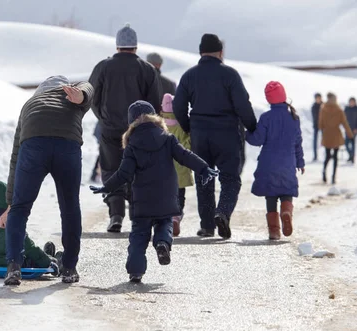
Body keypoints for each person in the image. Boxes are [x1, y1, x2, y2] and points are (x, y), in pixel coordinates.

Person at [89, 101, 216, 283]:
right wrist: (204, 168)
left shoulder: (132, 145)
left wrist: (107, 187)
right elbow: (185, 156)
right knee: (165, 223)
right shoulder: (167, 138)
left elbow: (124, 174)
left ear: (131, 121)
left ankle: (135, 271)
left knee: (139, 235)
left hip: (142, 200)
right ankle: (163, 243)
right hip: (166, 197)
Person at [0, 75, 93, 286]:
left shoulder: (30, 104)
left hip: (33, 145)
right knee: (70, 206)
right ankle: (69, 267)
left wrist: (10, 202)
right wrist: (83, 95)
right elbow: (89, 88)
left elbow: (16, 155)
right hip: (66, 145)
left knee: (20, 208)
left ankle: (13, 267)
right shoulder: (71, 94)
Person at [173, 33, 257, 239]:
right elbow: (242, 104)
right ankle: (223, 212)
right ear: (221, 52)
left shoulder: (189, 75)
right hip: (227, 133)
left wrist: (188, 127)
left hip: (200, 134)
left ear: (201, 52)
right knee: (230, 179)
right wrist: (252, 126)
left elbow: (178, 105)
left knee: (204, 177)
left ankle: (208, 225)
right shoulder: (230, 75)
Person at [89, 23, 161, 233]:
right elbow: (154, 103)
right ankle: (137, 216)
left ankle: (116, 214)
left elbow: (92, 97)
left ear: (117, 45)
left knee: (112, 171)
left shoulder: (103, 67)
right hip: (137, 131)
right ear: (136, 46)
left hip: (110, 130)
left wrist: (103, 118)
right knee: (138, 172)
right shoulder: (147, 69)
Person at [246, 82, 305, 240]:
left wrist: (246, 133)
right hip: (288, 163)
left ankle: (274, 230)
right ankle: (286, 211)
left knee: (270, 196)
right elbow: (297, 142)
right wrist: (300, 162)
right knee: (287, 192)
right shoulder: (294, 117)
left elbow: (257, 140)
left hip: (268, 164)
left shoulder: (266, 117)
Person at [0, 181, 60, 274]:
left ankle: (47, 256)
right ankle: (55, 260)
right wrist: (47, 263)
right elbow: (30, 248)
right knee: (32, 259)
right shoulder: (12, 224)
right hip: (14, 265)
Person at [159, 93, 192, 236]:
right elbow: (187, 145)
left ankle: (166, 218)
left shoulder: (159, 126)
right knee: (180, 195)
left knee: (165, 195)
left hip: (164, 170)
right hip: (181, 168)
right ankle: (176, 216)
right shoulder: (181, 125)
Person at [319, 93, 354, 184]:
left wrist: (324, 130)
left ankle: (324, 172)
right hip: (336, 135)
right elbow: (344, 123)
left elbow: (320, 124)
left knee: (327, 156)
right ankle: (333, 176)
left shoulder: (323, 109)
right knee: (335, 157)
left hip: (327, 135)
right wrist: (350, 134)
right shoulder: (339, 110)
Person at [344, 97, 357, 163]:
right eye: (350, 102)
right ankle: (350, 155)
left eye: (353, 102)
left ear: (355, 102)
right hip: (347, 130)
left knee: (353, 145)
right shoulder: (346, 110)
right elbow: (342, 119)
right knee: (346, 144)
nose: (351, 103)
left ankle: (352, 158)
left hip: (354, 130)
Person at [311, 93, 323, 161]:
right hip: (316, 125)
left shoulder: (324, 105)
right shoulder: (314, 106)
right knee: (315, 141)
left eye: (319, 98)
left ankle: (327, 154)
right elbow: (315, 117)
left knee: (326, 141)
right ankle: (315, 156)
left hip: (324, 126)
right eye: (317, 98)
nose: (318, 99)